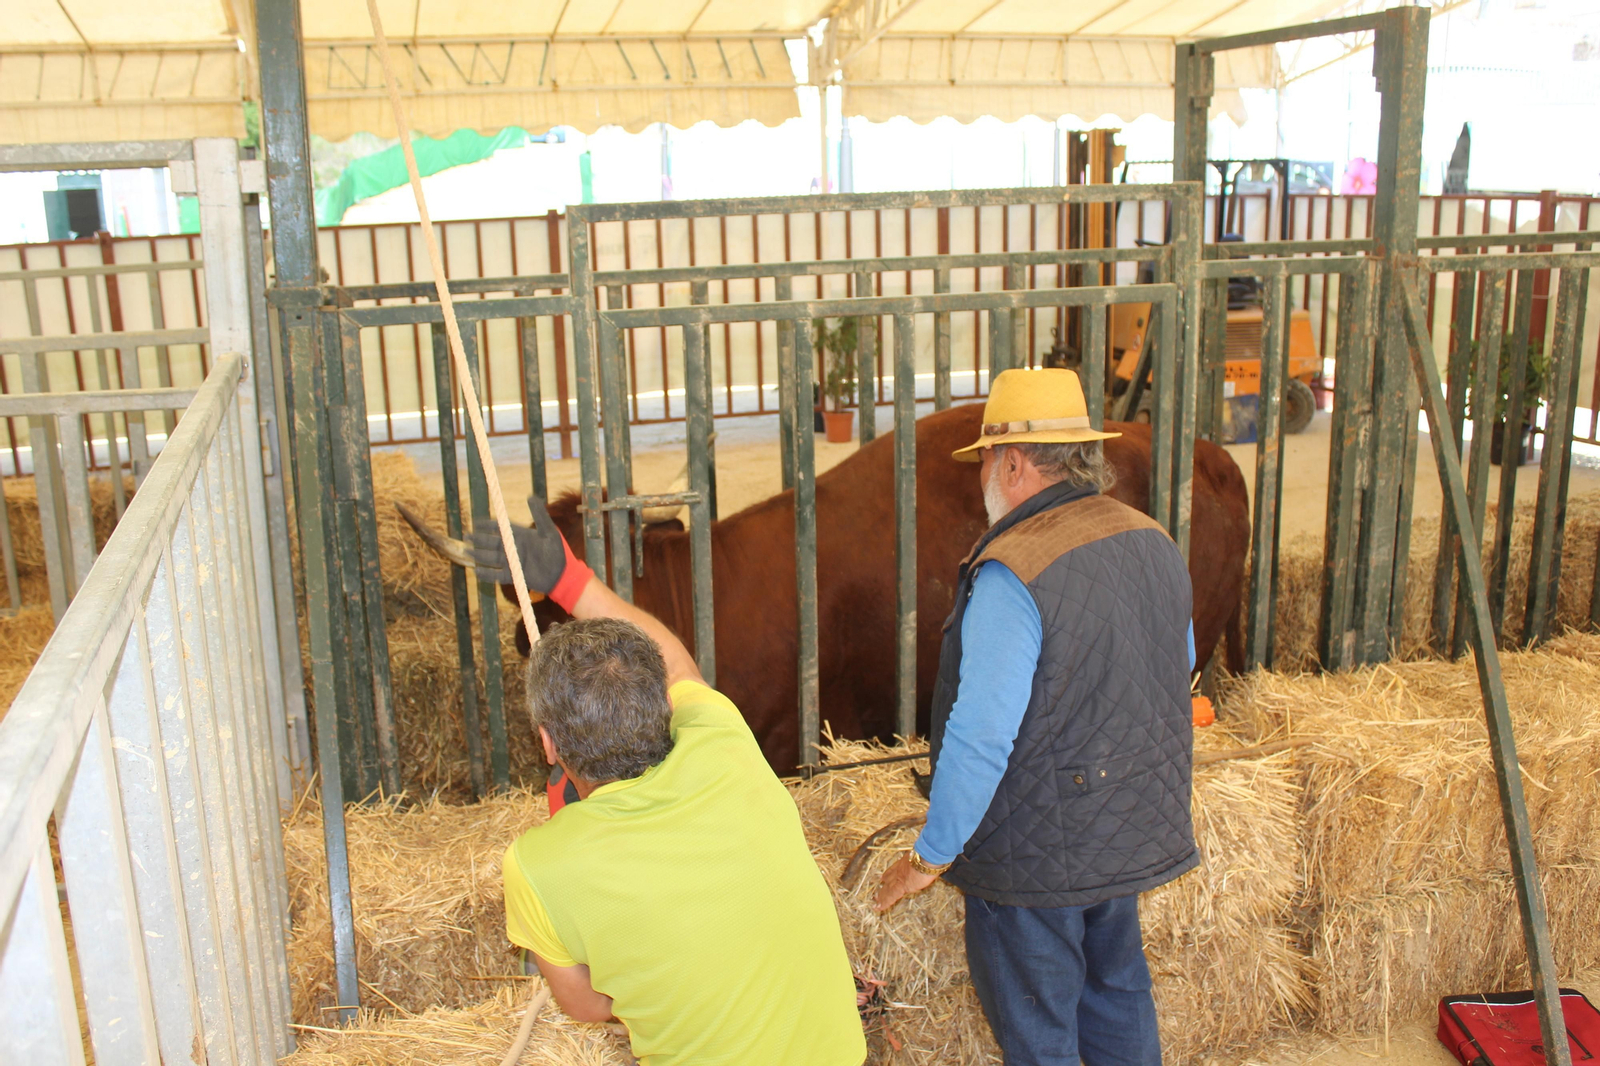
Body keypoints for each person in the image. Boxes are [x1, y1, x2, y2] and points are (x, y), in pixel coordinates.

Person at [875, 367, 1198, 1066]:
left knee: (1039, 1030)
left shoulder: (1013, 569)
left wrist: (931, 854)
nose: (983, 472)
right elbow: (1179, 663)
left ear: (1015, 461)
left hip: (1033, 860)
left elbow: (982, 733)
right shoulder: (1150, 538)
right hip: (1127, 823)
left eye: (988, 457)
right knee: (1117, 991)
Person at [474, 509, 866, 1066]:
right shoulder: (723, 742)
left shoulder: (537, 865)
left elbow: (586, 1005)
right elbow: (678, 666)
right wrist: (569, 578)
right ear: (660, 705)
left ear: (548, 744)